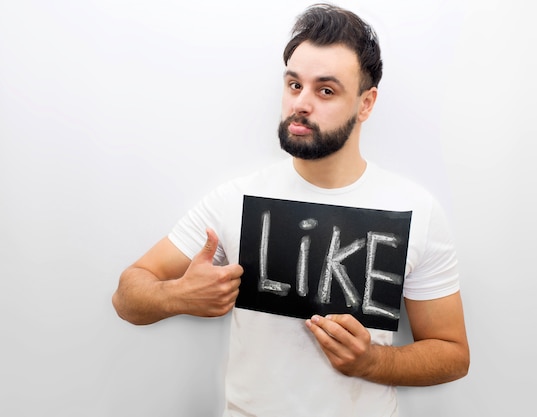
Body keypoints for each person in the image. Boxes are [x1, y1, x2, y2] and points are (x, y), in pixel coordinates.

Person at [112, 3, 469, 416]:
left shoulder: (414, 210)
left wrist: (373, 361)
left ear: (365, 104)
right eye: (294, 85)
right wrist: (176, 296)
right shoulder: (236, 199)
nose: (302, 103)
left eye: (326, 90)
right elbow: (127, 296)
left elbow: (452, 354)